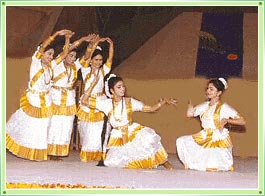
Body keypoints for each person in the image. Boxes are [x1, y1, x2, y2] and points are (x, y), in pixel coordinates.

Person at [6, 29, 73, 161]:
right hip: (34, 99)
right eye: (48, 54)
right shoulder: (36, 62)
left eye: (52, 55)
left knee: (43, 126)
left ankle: (36, 153)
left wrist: (67, 39)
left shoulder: (50, 66)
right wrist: (56, 34)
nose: (50, 57)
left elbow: (65, 54)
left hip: (46, 99)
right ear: (41, 54)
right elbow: (42, 48)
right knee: (27, 124)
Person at [81, 74, 174, 169]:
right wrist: (93, 84)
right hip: (117, 136)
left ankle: (163, 161)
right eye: (119, 87)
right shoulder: (106, 104)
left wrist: (163, 102)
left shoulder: (129, 101)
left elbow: (150, 109)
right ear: (112, 91)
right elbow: (84, 101)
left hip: (132, 131)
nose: (122, 89)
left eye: (123, 86)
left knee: (149, 138)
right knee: (111, 162)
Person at [176, 78, 246, 171]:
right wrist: (190, 104)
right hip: (204, 135)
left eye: (211, 89)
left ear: (219, 93)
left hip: (217, 138)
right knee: (181, 141)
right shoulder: (204, 105)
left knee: (212, 164)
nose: (208, 91)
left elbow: (242, 121)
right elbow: (189, 114)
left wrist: (227, 120)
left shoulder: (224, 107)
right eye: (208, 88)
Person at [47, 34, 98, 161]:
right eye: (70, 55)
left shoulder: (75, 67)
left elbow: (86, 57)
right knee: (55, 125)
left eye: (74, 56)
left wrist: (91, 45)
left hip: (69, 98)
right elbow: (67, 50)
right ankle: (51, 152)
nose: (73, 58)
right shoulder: (56, 64)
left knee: (67, 125)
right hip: (56, 97)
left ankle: (60, 152)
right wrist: (82, 39)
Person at [77, 36, 114, 162]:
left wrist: (111, 45)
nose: (99, 62)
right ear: (91, 61)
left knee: (98, 129)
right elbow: (86, 57)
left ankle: (99, 154)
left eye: (100, 60)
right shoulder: (85, 70)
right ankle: (88, 154)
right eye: (96, 60)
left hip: (99, 101)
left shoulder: (103, 71)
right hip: (87, 101)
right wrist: (95, 43)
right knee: (87, 129)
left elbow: (110, 59)